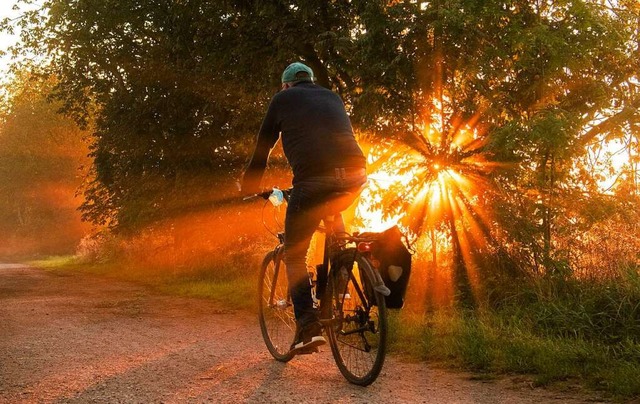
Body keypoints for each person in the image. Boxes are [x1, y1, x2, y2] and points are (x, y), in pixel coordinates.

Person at [241, 62, 367, 355]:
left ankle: (308, 325)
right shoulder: (332, 97)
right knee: (336, 227)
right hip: (355, 178)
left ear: (286, 85)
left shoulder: (282, 99)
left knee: (295, 254)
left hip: (312, 182)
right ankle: (336, 291)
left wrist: (250, 185)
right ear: (309, 81)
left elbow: (263, 147)